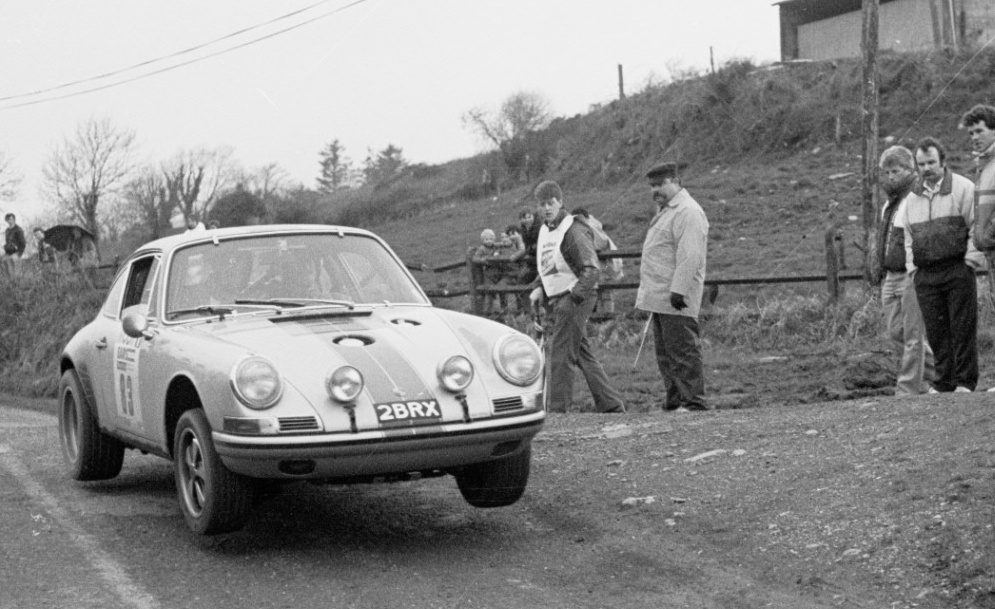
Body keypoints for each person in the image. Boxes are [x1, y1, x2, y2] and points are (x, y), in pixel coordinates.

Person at [528, 180, 625, 414]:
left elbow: (592, 270)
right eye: (542, 204)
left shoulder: (573, 229)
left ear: (560, 202)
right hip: (560, 298)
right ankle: (611, 405)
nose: (547, 208)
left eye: (551, 203)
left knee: (560, 354)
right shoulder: (545, 230)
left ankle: (558, 412)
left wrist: (572, 299)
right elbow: (549, 265)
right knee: (582, 353)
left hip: (575, 297)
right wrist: (540, 287)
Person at [901, 137, 984, 393]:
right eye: (921, 163)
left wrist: (970, 260)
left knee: (961, 328)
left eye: (931, 162)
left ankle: (965, 382)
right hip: (926, 274)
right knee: (937, 331)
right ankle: (944, 382)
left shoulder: (963, 188)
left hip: (957, 268)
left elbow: (975, 225)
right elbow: (907, 236)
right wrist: (913, 270)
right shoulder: (912, 197)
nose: (926, 168)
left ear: (942, 161)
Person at [636, 162, 709, 412]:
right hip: (660, 296)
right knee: (666, 354)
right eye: (653, 185)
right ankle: (676, 400)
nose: (656, 190)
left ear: (676, 181)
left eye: (661, 184)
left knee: (683, 351)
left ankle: (693, 402)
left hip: (676, 296)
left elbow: (690, 255)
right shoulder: (667, 210)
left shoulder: (688, 211)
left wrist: (678, 290)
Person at [874, 146, 934, 395]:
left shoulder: (917, 197)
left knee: (913, 334)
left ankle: (908, 388)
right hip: (890, 275)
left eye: (895, 171)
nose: (890, 177)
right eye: (886, 172)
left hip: (911, 273)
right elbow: (884, 238)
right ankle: (938, 376)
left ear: (910, 170)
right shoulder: (889, 204)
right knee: (896, 331)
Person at [961, 105, 995, 391]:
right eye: (970, 132)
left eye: (979, 131)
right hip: (989, 251)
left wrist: (989, 234)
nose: (974, 137)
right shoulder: (984, 165)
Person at [573, 208, 623, 314]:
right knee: (600, 293)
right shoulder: (588, 226)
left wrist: (589, 248)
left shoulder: (591, 226)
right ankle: (601, 321)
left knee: (606, 294)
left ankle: (607, 319)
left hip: (606, 265)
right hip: (600, 265)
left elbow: (602, 242)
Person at [472, 228, 508, 317]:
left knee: (503, 291)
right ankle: (487, 311)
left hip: (499, 273)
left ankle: (504, 309)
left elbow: (503, 244)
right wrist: (483, 260)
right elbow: (475, 259)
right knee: (489, 291)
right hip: (489, 274)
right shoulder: (481, 249)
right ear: (482, 240)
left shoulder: (496, 246)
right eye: (486, 239)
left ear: (494, 239)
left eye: (491, 239)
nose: (489, 241)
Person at [3, 213, 26, 279]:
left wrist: (19, 254)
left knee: (17, 271)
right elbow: (7, 242)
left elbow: (23, 243)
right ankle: (10, 283)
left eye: (11, 219)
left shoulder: (18, 229)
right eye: (7, 219)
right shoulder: (7, 230)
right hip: (8, 252)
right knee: (5, 262)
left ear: (14, 219)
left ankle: (19, 283)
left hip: (16, 252)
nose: (9, 221)